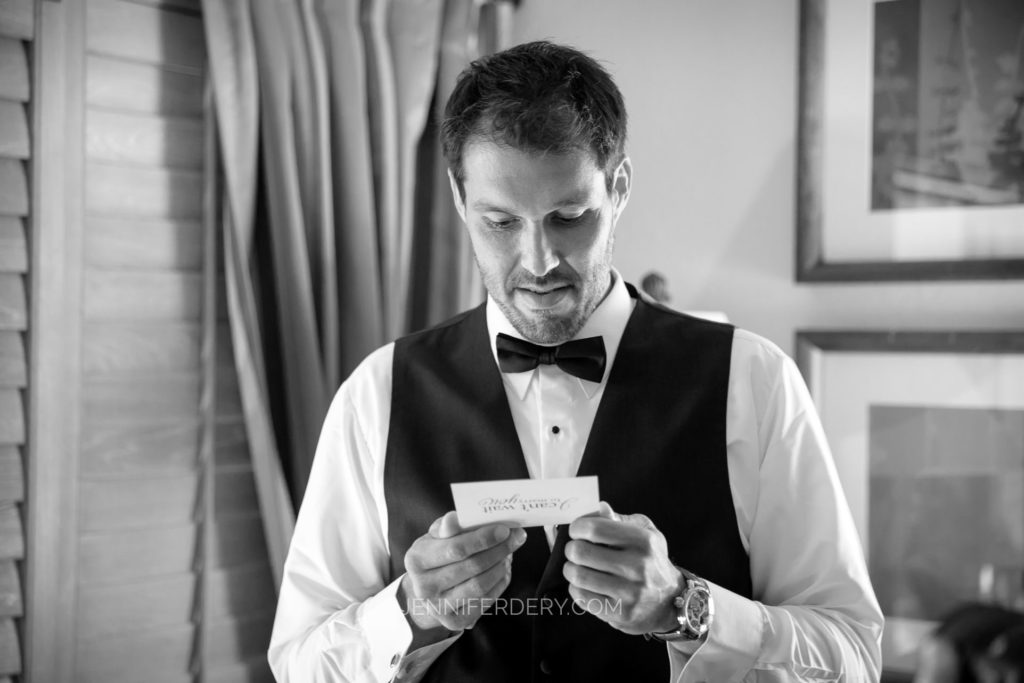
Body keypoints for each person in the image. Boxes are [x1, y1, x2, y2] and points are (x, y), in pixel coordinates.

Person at [268, 40, 883, 682]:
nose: (537, 263)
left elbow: (852, 657)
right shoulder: (377, 393)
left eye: (569, 217)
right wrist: (408, 614)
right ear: (458, 197)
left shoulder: (753, 382)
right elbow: (298, 664)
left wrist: (686, 607)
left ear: (617, 187)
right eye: (501, 223)